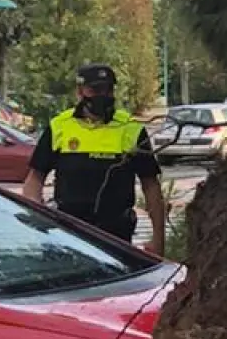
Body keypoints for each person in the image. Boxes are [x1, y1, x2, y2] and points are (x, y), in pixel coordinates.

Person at [22, 64, 167, 254]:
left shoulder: (131, 128)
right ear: (80, 91)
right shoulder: (59, 127)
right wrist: (37, 222)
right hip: (67, 234)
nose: (102, 95)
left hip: (116, 234)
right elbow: (35, 179)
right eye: (95, 89)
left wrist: (158, 239)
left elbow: (151, 186)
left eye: (108, 90)